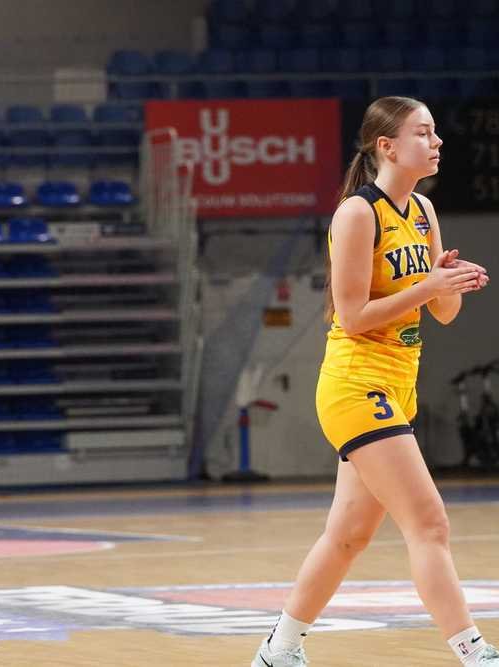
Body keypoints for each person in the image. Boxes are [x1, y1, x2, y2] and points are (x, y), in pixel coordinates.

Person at [251, 96, 493, 667]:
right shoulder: (357, 214)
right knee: (429, 522)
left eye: (435, 132)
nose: (437, 142)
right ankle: (475, 652)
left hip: (399, 384)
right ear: (387, 146)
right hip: (356, 384)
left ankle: (278, 649)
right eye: (424, 132)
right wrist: (427, 286)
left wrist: (447, 282)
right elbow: (353, 315)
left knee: (348, 537)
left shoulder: (424, 212)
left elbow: (443, 314)